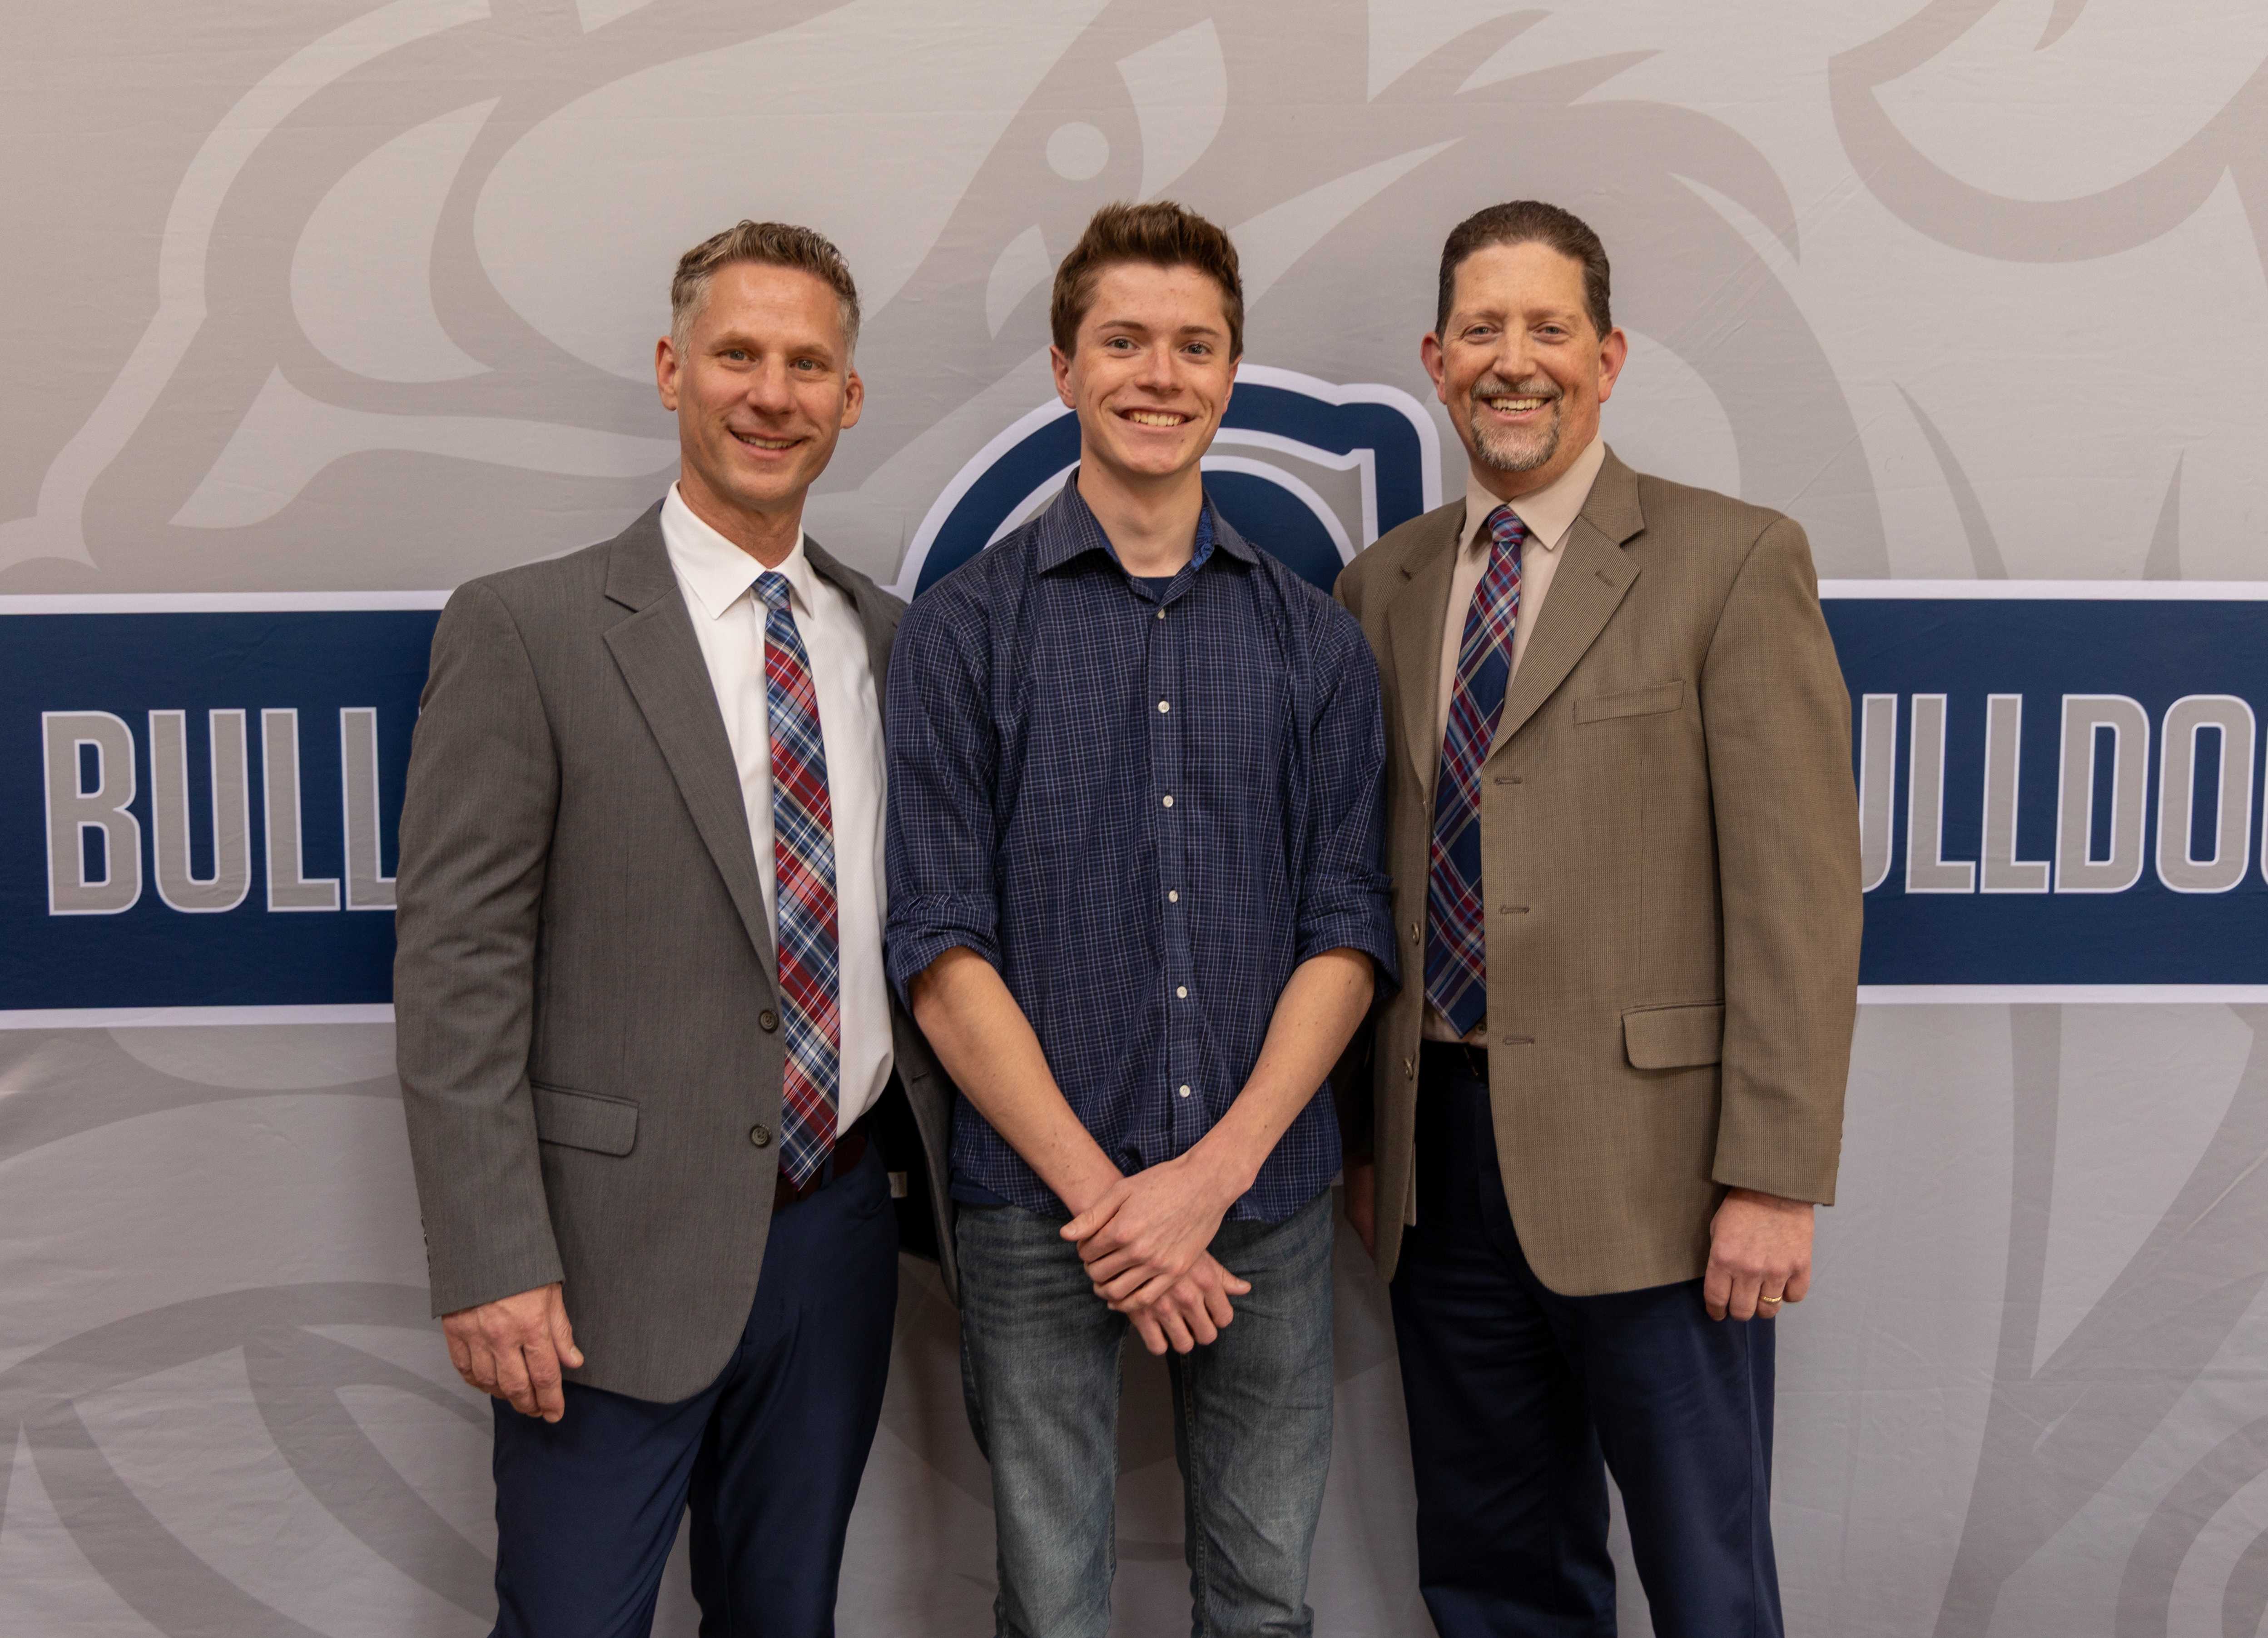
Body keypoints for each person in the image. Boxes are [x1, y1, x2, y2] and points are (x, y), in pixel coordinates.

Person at [392, 220, 954, 1638]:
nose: (771, 394)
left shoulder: (891, 642)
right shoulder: (529, 631)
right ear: (670, 370)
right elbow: (457, 968)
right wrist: (489, 1257)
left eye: (807, 364)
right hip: (596, 1264)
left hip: (832, 1240)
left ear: (850, 399)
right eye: (738, 356)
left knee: (787, 1619)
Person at [1333, 200, 1861, 1636]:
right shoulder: (1378, 591)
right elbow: (1364, 882)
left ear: (1608, 354)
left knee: (1703, 1575)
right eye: (1484, 331)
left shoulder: (1731, 560)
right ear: (1435, 359)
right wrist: (1373, 1142)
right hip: (1437, 1171)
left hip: (1668, 1181)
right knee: (1494, 1573)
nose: (1516, 362)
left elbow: (1798, 898)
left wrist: (1771, 1175)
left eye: (1547, 328)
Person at [885, 201, 1397, 1638]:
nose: (1155, 374)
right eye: (1122, 341)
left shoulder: (1315, 643)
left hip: (1267, 1203)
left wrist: (1207, 1179)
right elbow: (936, 943)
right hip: (1031, 1212)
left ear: (1231, 375)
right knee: (1048, 1612)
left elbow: (1346, 930)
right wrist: (1111, 1202)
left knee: (1262, 1602)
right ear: (1064, 369)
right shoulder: (963, 633)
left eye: (1191, 345)